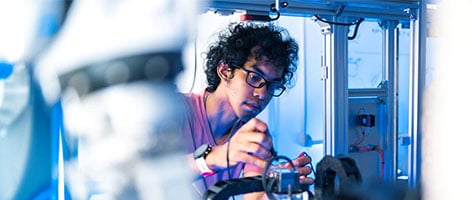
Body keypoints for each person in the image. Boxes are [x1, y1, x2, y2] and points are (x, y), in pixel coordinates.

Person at [181, 21, 314, 198]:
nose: (262, 94)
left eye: (272, 86)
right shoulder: (177, 110)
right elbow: (145, 174)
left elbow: (255, 198)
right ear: (225, 70)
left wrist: (275, 187)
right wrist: (214, 158)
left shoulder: (253, 136)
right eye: (255, 77)